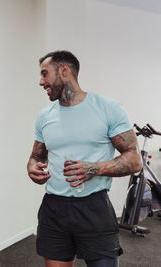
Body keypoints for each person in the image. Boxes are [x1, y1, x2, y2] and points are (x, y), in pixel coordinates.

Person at [27, 50, 142, 267]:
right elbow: (35, 156)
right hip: (54, 209)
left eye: (44, 74)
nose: (40, 82)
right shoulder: (45, 116)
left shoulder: (108, 108)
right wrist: (33, 168)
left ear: (64, 70)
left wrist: (95, 168)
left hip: (94, 208)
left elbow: (135, 160)